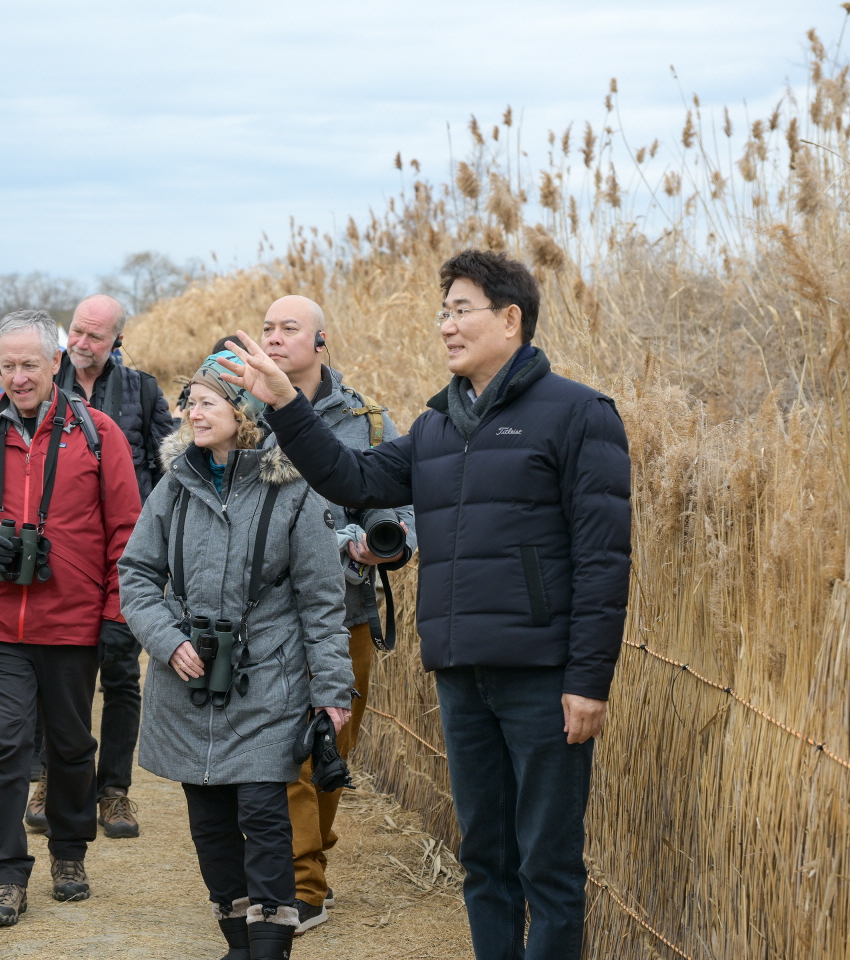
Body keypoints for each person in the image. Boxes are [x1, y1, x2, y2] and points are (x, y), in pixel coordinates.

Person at [219, 250, 632, 960]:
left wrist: (587, 680)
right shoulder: (437, 426)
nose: (445, 325)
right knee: (485, 859)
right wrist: (286, 404)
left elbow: (603, 561)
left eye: (460, 310)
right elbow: (350, 475)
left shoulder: (579, 413)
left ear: (511, 319)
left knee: (550, 866)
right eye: (443, 311)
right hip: (460, 671)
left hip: (543, 675)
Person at [118, 353, 354, 960]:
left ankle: (270, 947)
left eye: (206, 401)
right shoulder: (175, 486)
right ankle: (238, 943)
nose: (192, 412)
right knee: (210, 822)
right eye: (189, 400)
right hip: (189, 683)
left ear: (243, 412)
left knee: (263, 812)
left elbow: (322, 601)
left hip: (268, 682)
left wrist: (331, 691)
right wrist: (169, 642)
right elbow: (137, 576)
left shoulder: (292, 488)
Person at [0, 309, 142, 928]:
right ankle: (3, 876)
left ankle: (69, 853)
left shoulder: (99, 432)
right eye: (8, 365)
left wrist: (116, 616)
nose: (19, 376)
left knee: (72, 744)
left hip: (74, 619)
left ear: (56, 363)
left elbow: (127, 532)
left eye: (31, 363)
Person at [253, 295, 417, 935]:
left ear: (321, 343)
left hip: (349, 611)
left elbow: (405, 505)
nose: (274, 337)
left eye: (288, 328)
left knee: (331, 748)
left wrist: (386, 540)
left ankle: (308, 852)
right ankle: (302, 885)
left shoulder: (367, 422)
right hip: (266, 616)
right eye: (267, 327)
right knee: (285, 752)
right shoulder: (242, 413)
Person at [23, 293, 172, 840]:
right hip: (56, 556)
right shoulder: (44, 382)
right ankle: (46, 780)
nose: (82, 346)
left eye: (95, 337)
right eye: (77, 334)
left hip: (128, 555)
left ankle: (114, 792)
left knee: (121, 674)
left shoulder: (144, 391)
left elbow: (169, 463)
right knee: (53, 673)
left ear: (118, 342)